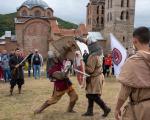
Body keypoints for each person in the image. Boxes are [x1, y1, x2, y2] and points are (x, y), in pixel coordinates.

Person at [115, 27, 150, 120]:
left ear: (135, 41)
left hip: (140, 110)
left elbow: (124, 91)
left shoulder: (133, 62)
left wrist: (117, 108)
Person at [82, 42, 111, 117]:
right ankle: (89, 111)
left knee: (94, 96)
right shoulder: (99, 55)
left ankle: (106, 109)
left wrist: (83, 66)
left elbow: (90, 69)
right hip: (96, 77)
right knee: (89, 94)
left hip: (95, 78)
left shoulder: (93, 56)